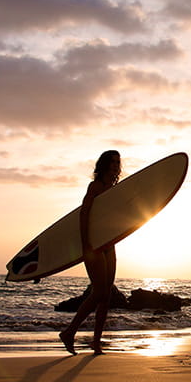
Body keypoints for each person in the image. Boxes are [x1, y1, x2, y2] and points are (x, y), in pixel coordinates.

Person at [59, 150, 121, 355]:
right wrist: (86, 244)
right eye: (111, 162)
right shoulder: (95, 187)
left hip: (109, 244)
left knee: (107, 295)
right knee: (99, 292)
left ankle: (96, 342)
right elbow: (83, 214)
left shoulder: (116, 189)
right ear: (103, 165)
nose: (115, 166)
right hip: (93, 245)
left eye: (117, 163)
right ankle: (69, 332)